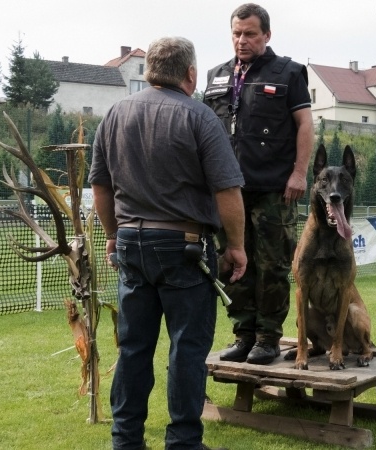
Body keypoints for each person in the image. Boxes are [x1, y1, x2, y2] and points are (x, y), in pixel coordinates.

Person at [89, 36, 246, 450]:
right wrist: (237, 247)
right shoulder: (200, 117)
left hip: (130, 245)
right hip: (185, 248)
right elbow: (228, 192)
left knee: (134, 349)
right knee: (187, 350)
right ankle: (183, 443)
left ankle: (125, 441)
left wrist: (111, 236)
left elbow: (101, 188)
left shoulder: (115, 115)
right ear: (191, 74)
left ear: (148, 72)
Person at [203, 3, 314, 365]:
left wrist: (299, 173)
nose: (242, 40)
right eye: (236, 33)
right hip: (227, 190)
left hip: (272, 189)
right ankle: (243, 334)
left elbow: (305, 125)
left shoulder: (289, 73)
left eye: (250, 34)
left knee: (272, 265)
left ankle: (268, 337)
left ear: (266, 34)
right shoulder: (216, 75)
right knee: (234, 263)